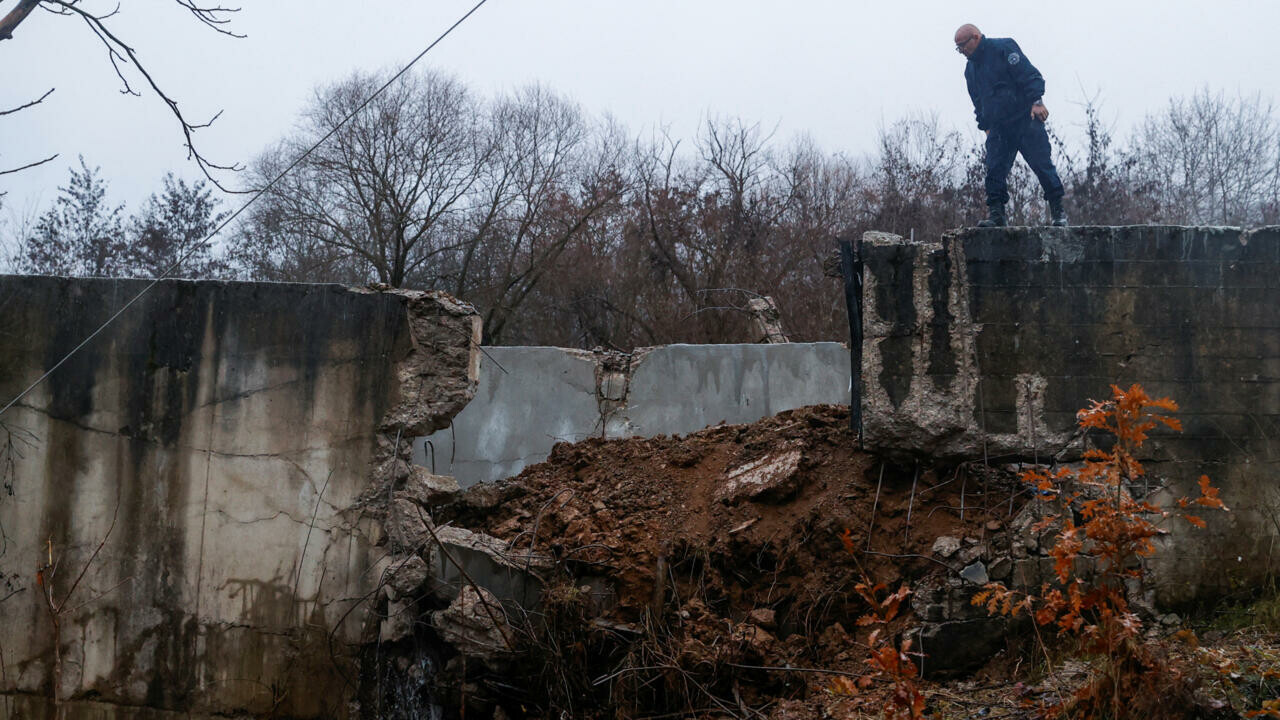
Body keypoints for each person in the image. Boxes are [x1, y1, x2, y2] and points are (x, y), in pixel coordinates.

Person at [955, 24, 1067, 227]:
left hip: (1024, 119)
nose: (961, 51)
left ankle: (1058, 212)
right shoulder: (970, 70)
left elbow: (1029, 75)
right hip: (999, 128)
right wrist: (985, 125)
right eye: (958, 48)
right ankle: (997, 216)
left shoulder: (1004, 48)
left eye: (962, 45)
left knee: (1042, 165)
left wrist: (1037, 101)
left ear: (976, 37)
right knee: (994, 170)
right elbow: (977, 100)